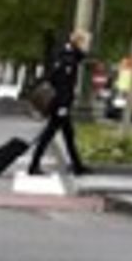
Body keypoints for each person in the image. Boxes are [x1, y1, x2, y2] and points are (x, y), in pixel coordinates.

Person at [26, 29, 91, 177]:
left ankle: (77, 166)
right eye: (86, 42)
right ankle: (34, 165)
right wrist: (63, 106)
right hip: (60, 104)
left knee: (67, 135)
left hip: (60, 103)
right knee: (49, 135)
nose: (87, 45)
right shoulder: (69, 59)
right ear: (79, 42)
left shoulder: (67, 55)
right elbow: (63, 85)